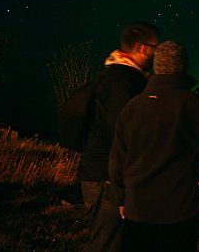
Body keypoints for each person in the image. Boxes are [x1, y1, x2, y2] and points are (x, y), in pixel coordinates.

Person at [109, 41, 199, 252]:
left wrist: (121, 200)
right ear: (183, 67)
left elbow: (117, 160)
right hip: (181, 211)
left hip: (138, 210)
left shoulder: (132, 107)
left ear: (156, 67)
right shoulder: (192, 105)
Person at [79, 22, 160, 252]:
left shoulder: (118, 75)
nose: (156, 53)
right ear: (142, 47)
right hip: (107, 178)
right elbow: (123, 131)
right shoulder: (122, 80)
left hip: (106, 175)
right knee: (107, 244)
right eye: (155, 47)